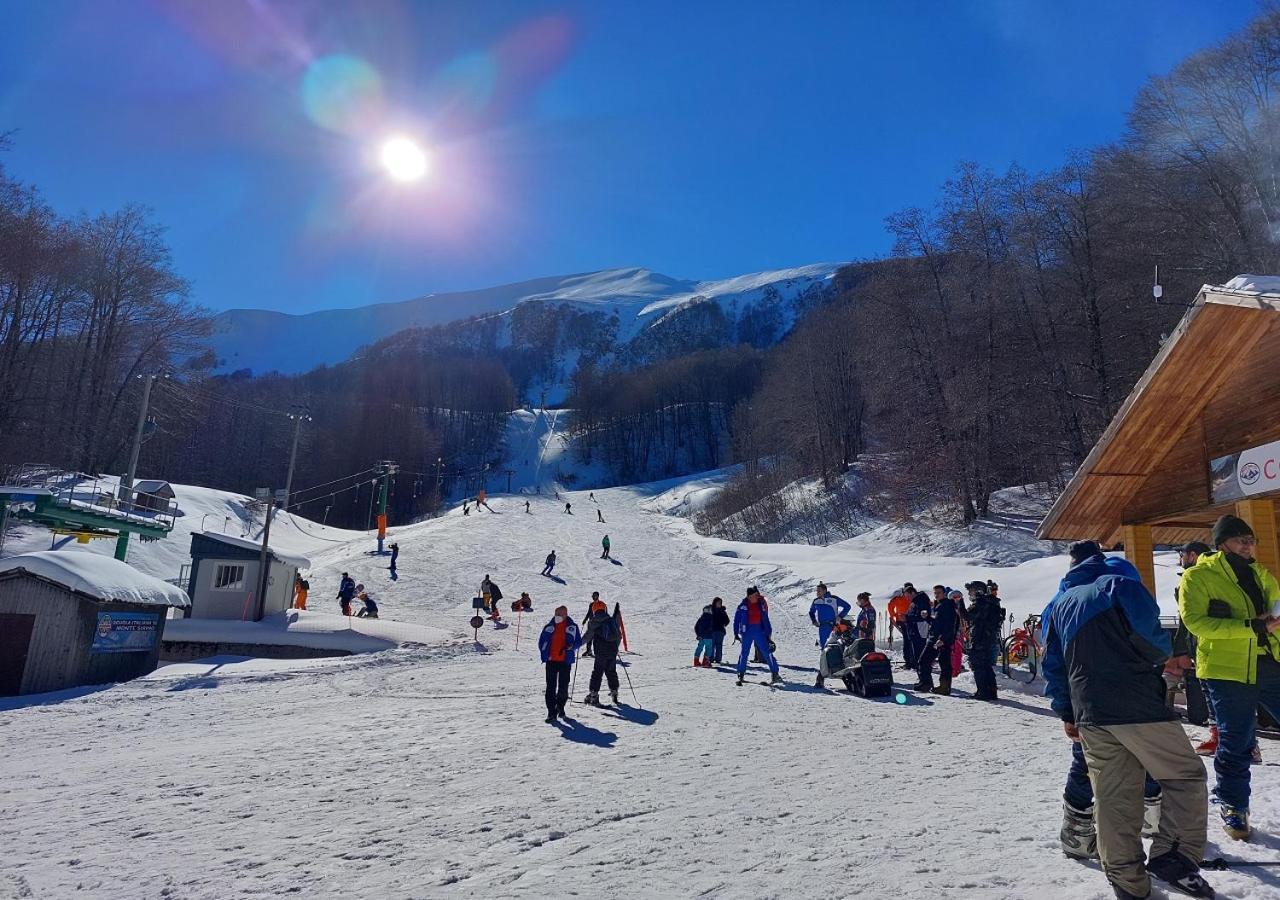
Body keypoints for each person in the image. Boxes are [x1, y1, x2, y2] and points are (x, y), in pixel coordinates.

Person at [1043, 540, 1212, 900]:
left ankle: (1127, 882)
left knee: (1113, 795)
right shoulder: (1118, 584)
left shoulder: (1058, 604)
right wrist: (1158, 659)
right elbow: (1154, 641)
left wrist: (1067, 712)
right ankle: (1174, 856)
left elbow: (1053, 667)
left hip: (1090, 713)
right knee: (1184, 775)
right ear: (1100, 560)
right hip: (1137, 704)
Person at [1179, 514, 1280, 842]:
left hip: (1269, 663)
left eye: (1251, 540)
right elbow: (1196, 623)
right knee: (1236, 741)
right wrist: (1251, 626)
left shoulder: (1261, 574)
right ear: (1221, 543)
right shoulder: (1199, 577)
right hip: (1227, 671)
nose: (1249, 545)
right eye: (1241, 540)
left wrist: (1269, 624)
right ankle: (1234, 806)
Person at [538, 605, 581, 722]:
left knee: (563, 687)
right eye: (556, 614)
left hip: (565, 662)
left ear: (565, 614)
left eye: (559, 614)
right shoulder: (549, 627)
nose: (557, 616)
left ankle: (560, 708)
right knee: (550, 688)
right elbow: (541, 642)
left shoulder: (572, 627)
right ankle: (551, 712)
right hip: (551, 661)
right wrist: (545, 653)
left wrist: (572, 646)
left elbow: (579, 641)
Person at [914, 585, 958, 694]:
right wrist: (927, 618)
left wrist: (942, 639)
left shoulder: (947, 605)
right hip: (936, 638)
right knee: (926, 661)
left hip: (941, 639)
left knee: (939, 663)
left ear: (944, 593)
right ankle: (927, 683)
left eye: (939, 592)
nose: (936, 595)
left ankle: (942, 687)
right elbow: (937, 624)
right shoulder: (940, 605)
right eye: (935, 593)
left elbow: (949, 625)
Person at [735, 587, 782, 686]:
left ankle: (775, 673)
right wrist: (736, 633)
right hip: (747, 632)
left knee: (767, 652)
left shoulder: (761, 605)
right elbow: (737, 620)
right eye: (755, 595)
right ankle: (741, 672)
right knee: (744, 653)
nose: (757, 597)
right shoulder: (743, 606)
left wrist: (768, 633)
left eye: (757, 595)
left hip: (759, 631)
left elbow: (765, 619)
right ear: (749, 596)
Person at [964, 582, 1003, 701]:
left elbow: (967, 616)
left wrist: (959, 604)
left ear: (977, 591)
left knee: (978, 665)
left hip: (980, 638)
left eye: (971, 591)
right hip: (988, 638)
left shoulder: (980, 603)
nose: (970, 594)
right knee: (986, 665)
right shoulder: (991, 602)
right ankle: (991, 691)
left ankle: (983, 691)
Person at [582, 601, 623, 705]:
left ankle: (594, 695)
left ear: (594, 610)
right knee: (611, 672)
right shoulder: (611, 620)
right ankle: (614, 693)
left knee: (597, 672)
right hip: (612, 651)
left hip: (600, 652)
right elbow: (619, 636)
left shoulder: (593, 621)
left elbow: (588, 637)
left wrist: (576, 645)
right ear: (605, 609)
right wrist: (615, 648)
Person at [808, 582, 851, 649]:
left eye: (819, 591)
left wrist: (840, 616)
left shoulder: (834, 599)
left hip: (834, 626)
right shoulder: (816, 601)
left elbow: (847, 606)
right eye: (817, 591)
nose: (817, 592)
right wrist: (814, 621)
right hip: (823, 627)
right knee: (824, 646)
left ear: (824, 591)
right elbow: (811, 612)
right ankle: (824, 659)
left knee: (836, 646)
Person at [903, 584, 931, 670]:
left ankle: (922, 668)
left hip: (919, 630)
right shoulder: (914, 601)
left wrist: (907, 617)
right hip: (913, 630)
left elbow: (922, 616)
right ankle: (916, 666)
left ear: (912, 593)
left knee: (919, 651)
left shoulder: (921, 601)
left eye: (908, 596)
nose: (907, 598)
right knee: (914, 650)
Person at [581, 592, 605, 657]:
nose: (594, 597)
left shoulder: (602, 604)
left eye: (595, 596)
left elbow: (605, 614)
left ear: (598, 596)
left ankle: (598, 652)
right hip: (591, 623)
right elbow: (589, 613)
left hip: (598, 624)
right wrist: (585, 619)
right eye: (593, 596)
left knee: (597, 638)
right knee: (589, 637)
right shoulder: (591, 604)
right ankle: (588, 651)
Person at [710, 597, 730, 664]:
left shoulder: (722, 611)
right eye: (718, 602)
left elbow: (727, 620)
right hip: (712, 630)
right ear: (714, 602)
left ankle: (718, 659)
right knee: (711, 645)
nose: (719, 604)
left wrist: (723, 624)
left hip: (720, 631)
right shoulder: (710, 610)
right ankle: (710, 659)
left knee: (719, 645)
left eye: (720, 603)